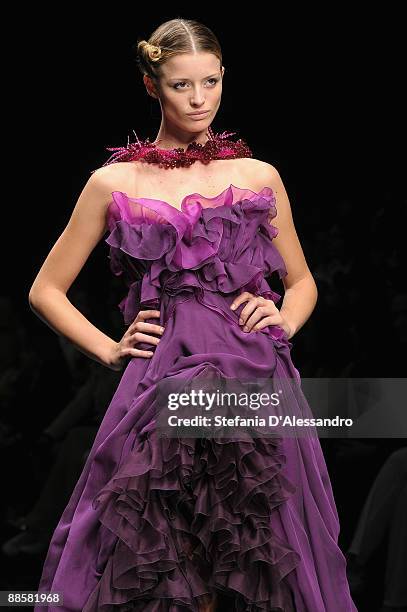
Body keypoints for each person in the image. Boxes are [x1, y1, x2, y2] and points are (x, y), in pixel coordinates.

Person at [29, 17, 357, 612]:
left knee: (259, 554)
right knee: (163, 557)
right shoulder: (114, 182)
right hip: (161, 376)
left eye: (211, 81)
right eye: (181, 85)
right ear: (151, 85)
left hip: (252, 370)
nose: (199, 99)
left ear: (224, 77)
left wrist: (281, 317)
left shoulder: (258, 176)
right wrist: (109, 348)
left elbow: (302, 282)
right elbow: (45, 289)